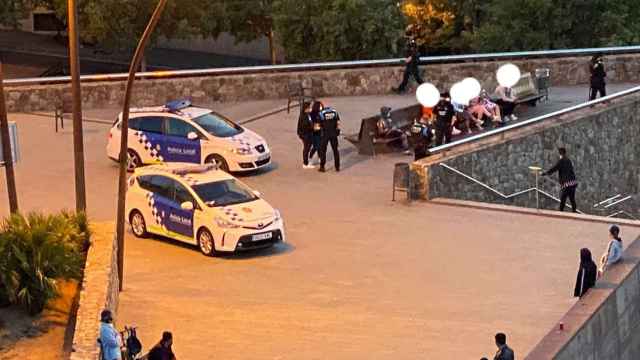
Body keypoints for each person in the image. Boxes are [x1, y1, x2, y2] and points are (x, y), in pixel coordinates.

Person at [542, 147, 578, 212]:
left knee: (563, 199)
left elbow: (554, 168)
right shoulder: (568, 160)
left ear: (560, 153)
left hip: (566, 183)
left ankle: (561, 213)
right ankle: (574, 212)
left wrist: (545, 173)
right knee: (572, 199)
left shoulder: (561, 161)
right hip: (573, 183)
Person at [318, 105, 341, 172]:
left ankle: (322, 167)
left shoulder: (321, 113)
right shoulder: (334, 112)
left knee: (323, 151)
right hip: (334, 134)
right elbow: (338, 123)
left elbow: (319, 125)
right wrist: (337, 131)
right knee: (335, 150)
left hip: (325, 134)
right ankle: (337, 167)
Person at [297, 102, 315, 169]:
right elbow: (305, 127)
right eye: (309, 107)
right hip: (305, 135)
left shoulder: (308, 114)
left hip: (308, 134)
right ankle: (305, 163)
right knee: (306, 148)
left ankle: (307, 161)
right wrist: (313, 127)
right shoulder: (303, 116)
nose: (310, 108)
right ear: (305, 109)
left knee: (309, 147)